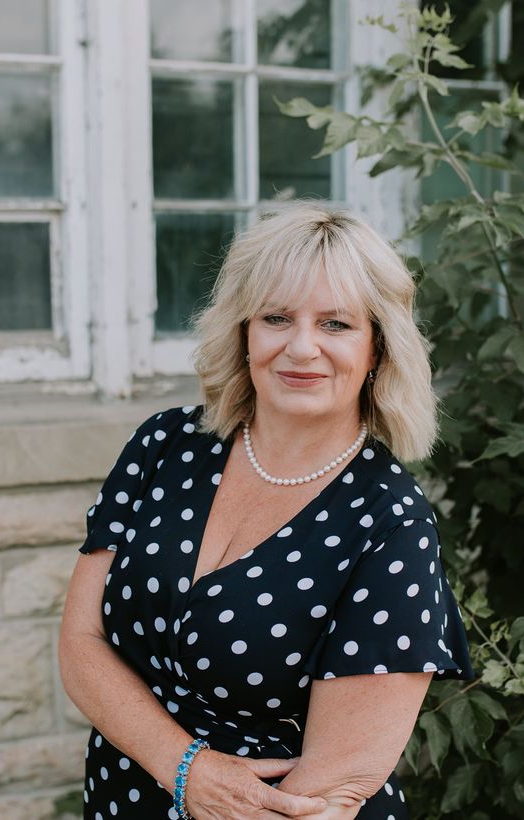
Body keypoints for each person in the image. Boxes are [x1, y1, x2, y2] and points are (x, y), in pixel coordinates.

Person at [59, 202, 473, 820]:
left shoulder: (390, 523)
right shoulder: (166, 445)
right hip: (123, 797)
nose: (301, 347)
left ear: (378, 350)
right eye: (277, 317)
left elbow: (332, 786)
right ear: (244, 331)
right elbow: (82, 642)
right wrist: (186, 769)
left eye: (336, 324)